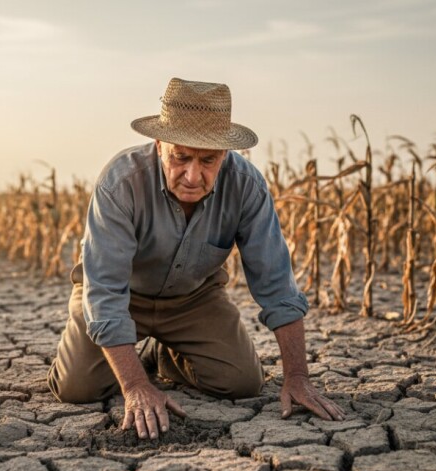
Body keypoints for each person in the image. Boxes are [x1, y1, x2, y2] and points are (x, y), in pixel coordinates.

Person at [47, 77, 345, 440]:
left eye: (208, 160)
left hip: (194, 300)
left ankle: (164, 355)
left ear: (226, 153)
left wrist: (297, 377)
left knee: (243, 382)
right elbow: (105, 292)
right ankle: (122, 360)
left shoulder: (246, 186)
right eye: (181, 157)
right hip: (124, 298)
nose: (192, 175)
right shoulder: (121, 182)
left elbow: (276, 283)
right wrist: (135, 386)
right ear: (159, 145)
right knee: (76, 389)